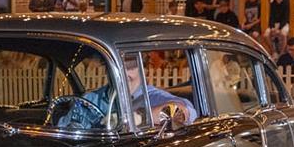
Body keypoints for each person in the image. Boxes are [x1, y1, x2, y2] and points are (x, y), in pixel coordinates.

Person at [61, 56, 197, 129]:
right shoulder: (90, 99)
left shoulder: (154, 97)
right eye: (116, 66)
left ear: (143, 70)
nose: (123, 73)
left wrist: (136, 118)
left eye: (130, 67)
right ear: (107, 69)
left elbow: (184, 111)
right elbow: (64, 130)